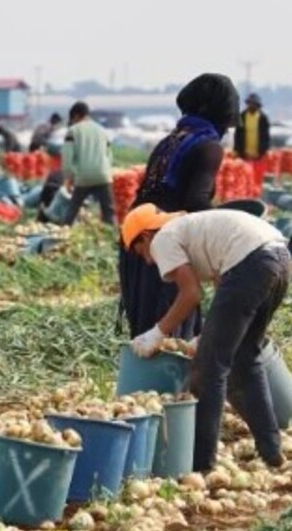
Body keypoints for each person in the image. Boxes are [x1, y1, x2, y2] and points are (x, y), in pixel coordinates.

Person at [122, 203, 292, 472]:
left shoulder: (163, 237)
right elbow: (224, 282)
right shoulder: (192, 229)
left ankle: (200, 464)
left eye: (138, 249)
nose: (146, 259)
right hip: (279, 259)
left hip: (253, 264)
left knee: (209, 368)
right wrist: (209, 334)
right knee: (245, 358)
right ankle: (271, 451)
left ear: (145, 236)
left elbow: (191, 294)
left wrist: (158, 332)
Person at [120, 72, 240, 342]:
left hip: (137, 238)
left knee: (146, 326)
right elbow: (196, 201)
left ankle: (145, 382)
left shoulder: (169, 141)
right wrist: (227, 228)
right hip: (165, 243)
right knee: (172, 329)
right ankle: (172, 384)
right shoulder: (209, 147)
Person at [60, 101, 116, 226]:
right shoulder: (102, 131)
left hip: (84, 176)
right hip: (103, 174)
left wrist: (68, 178)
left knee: (73, 209)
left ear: (75, 116)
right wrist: (106, 170)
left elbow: (67, 158)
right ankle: (113, 238)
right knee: (109, 211)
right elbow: (110, 155)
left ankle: (64, 232)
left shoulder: (73, 131)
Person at [233, 93, 271, 187]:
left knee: (257, 179)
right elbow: (237, 135)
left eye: (254, 104)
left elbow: (266, 137)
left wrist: (263, 150)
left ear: (258, 105)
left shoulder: (263, 118)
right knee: (243, 179)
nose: (251, 106)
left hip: (258, 155)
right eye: (250, 103)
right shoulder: (242, 116)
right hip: (243, 154)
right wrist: (237, 150)